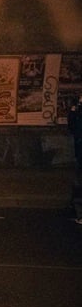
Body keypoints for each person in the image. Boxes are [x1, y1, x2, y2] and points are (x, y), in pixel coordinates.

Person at [66, 95, 82, 224]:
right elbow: (72, 126)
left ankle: (79, 211)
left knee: (78, 182)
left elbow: (74, 126)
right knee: (77, 180)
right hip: (79, 151)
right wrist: (73, 110)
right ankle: (74, 206)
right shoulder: (77, 112)